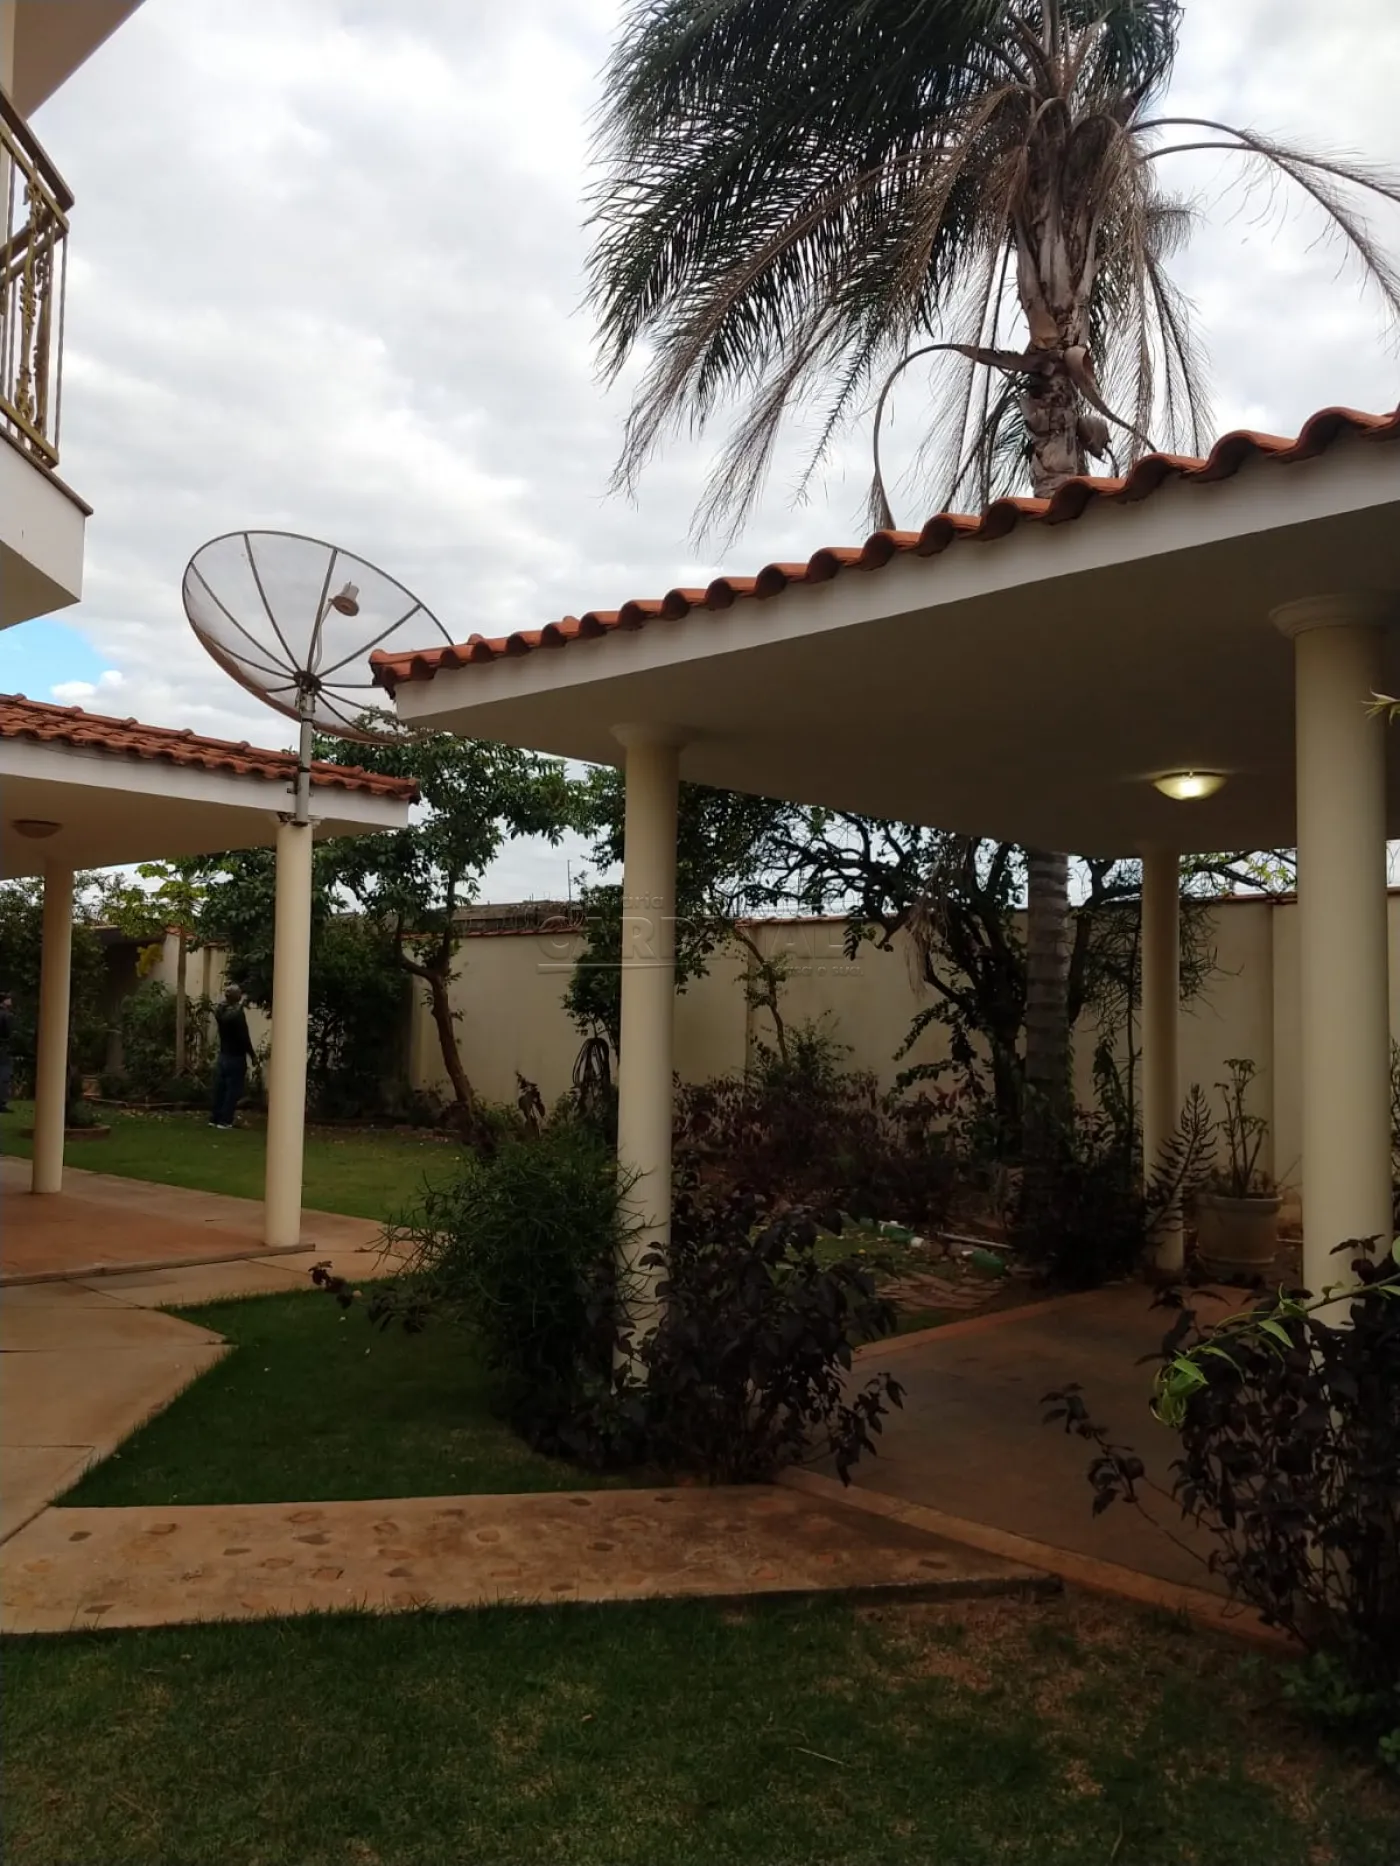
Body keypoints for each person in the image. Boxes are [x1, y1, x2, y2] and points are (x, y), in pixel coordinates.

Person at [210, 983, 256, 1131]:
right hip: (235, 1056)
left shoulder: (220, 1010)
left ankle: (215, 1118)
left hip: (223, 1055)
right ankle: (225, 1120)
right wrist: (252, 1055)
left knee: (221, 1088)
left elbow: (223, 1010)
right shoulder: (237, 1015)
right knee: (232, 1090)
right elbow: (244, 1037)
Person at [0, 990, 13, 1113]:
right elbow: (7, 1033)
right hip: (2, 1048)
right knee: (4, 1074)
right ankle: (1, 1102)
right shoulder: (5, 1015)